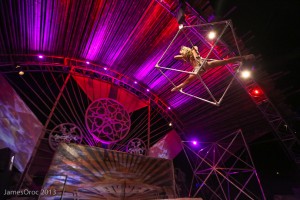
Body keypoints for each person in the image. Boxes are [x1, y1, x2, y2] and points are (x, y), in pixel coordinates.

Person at [171, 46, 255, 91]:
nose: (181, 52)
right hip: (200, 68)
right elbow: (175, 57)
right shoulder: (187, 57)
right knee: (188, 80)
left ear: (185, 50)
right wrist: (184, 55)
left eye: (181, 51)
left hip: (203, 64)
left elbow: (195, 51)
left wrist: (195, 52)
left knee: (225, 61)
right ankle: (179, 87)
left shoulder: (193, 48)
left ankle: (244, 57)